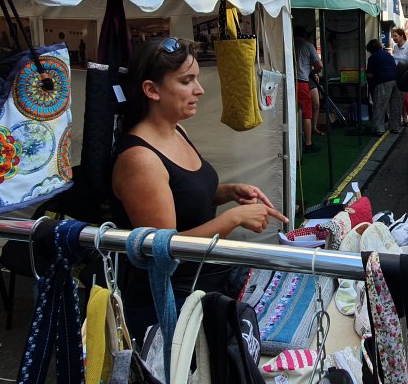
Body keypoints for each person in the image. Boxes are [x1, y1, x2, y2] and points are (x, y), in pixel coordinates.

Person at [111, 37, 288, 330]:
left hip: (205, 284)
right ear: (151, 90)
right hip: (171, 305)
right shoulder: (139, 160)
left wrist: (228, 192)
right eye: (187, 80)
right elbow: (165, 250)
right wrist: (234, 218)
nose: (199, 89)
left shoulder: (176, 129)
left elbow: (183, 196)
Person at [294, 26, 324, 153]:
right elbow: (319, 65)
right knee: (306, 113)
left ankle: (294, 141)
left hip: (288, 82)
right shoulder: (307, 45)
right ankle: (308, 143)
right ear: (305, 36)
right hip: (302, 82)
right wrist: (313, 72)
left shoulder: (287, 43)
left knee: (292, 112)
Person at [365, 38, 402, 134]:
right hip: (397, 81)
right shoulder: (388, 55)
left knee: (380, 105)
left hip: (383, 82)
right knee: (395, 106)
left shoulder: (373, 57)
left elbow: (370, 74)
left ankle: (379, 129)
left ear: (371, 49)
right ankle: (395, 127)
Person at [390, 27, 408, 127]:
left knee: (406, 100)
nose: (393, 38)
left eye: (395, 36)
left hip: (406, 76)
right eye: (393, 36)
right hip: (397, 75)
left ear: (402, 36)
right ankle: (405, 119)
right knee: (400, 99)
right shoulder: (395, 47)